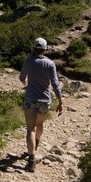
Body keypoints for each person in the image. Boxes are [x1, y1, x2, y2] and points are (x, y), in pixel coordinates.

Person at [19, 37, 63, 172]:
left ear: (34, 47)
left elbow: (21, 77)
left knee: (30, 129)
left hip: (31, 98)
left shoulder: (28, 61)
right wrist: (61, 101)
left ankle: (31, 159)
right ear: (45, 49)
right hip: (45, 100)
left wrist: (26, 84)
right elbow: (55, 83)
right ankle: (36, 143)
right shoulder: (50, 64)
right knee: (39, 124)